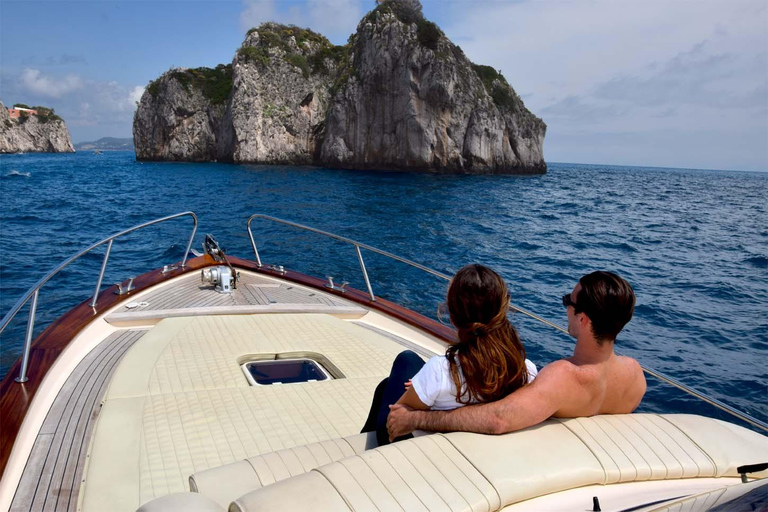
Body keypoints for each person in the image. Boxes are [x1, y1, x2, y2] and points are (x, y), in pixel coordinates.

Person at [387, 270, 646, 440]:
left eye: (569, 299)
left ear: (584, 319)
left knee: (398, 373)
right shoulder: (635, 376)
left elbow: (498, 419)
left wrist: (415, 417)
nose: (565, 304)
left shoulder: (561, 378)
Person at [361, 264, 538, 446]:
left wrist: (425, 385)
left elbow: (393, 422)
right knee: (387, 385)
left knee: (404, 361)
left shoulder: (440, 371)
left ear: (452, 316)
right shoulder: (526, 372)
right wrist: (423, 383)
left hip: (417, 449)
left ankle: (362, 447)